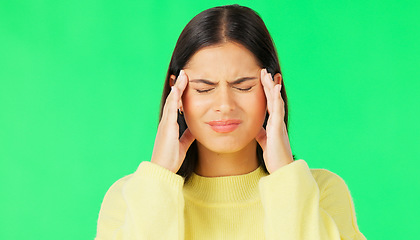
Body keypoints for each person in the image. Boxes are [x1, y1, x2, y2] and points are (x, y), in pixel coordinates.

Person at [95, 4, 366, 240]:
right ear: (177, 94)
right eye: (204, 88)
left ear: (273, 88)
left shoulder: (322, 193)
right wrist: (159, 177)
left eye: (243, 86)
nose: (224, 105)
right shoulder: (129, 199)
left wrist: (286, 177)